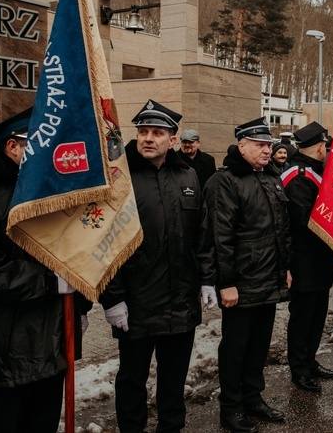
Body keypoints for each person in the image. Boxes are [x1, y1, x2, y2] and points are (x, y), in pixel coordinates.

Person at [0, 107, 86, 432]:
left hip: (53, 337)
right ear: (14, 146)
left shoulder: (48, 187)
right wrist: (51, 283)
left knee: (44, 423)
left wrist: (80, 304)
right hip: (10, 345)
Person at [99, 99, 215, 433]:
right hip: (136, 303)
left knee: (173, 379)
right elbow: (107, 243)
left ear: (173, 140)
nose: (149, 138)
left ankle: (171, 428)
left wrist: (207, 280)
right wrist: (113, 298)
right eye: (143, 132)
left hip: (180, 301)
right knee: (132, 379)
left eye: (158, 133)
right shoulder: (119, 177)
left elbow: (202, 236)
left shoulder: (188, 174)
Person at [204, 116, 291, 433]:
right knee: (235, 348)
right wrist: (225, 283)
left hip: (269, 279)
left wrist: (286, 269)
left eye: (269, 144)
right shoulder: (225, 181)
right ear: (241, 145)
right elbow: (220, 236)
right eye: (259, 144)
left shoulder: (271, 177)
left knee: (258, 346)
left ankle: (253, 397)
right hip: (241, 283)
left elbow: (282, 230)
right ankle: (231, 407)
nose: (267, 150)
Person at [283, 122, 333, 393]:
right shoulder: (299, 176)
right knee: (303, 318)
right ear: (320, 147)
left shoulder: (314, 171)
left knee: (317, 316)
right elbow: (303, 221)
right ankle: (300, 369)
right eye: (325, 146)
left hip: (320, 259)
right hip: (305, 261)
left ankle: (310, 360)